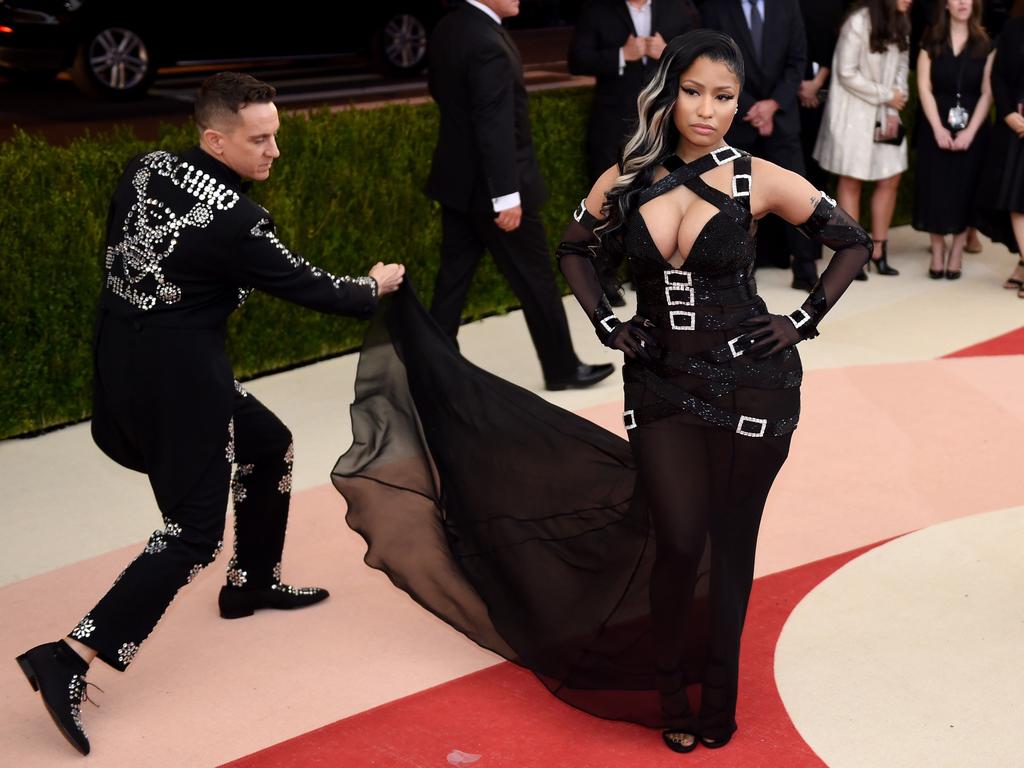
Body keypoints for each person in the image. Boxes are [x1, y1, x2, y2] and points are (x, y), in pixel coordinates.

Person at [333, 30, 871, 753]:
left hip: (753, 384)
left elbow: (853, 241)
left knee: (729, 544)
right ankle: (670, 693)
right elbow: (574, 248)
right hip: (659, 383)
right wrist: (608, 323)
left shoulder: (758, 178)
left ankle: (716, 702)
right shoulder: (629, 176)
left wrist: (799, 322)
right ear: (669, 90)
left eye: (724, 97)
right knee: (678, 541)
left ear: (740, 104)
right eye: (693, 91)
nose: (706, 110)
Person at [15, 72, 405, 756]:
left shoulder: (146, 167)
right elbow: (319, 290)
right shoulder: (239, 220)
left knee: (268, 442)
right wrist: (376, 284)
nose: (274, 151)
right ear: (214, 139)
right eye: (259, 139)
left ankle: (252, 581)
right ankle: (71, 656)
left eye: (275, 135)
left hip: (122, 358)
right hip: (183, 378)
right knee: (192, 533)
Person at [424, 0, 614, 390]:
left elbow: (443, 94)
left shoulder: (449, 27)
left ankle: (430, 368)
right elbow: (494, 122)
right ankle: (563, 368)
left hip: (459, 184)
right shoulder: (485, 40)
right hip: (498, 191)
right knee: (537, 278)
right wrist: (505, 195)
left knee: (452, 280)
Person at [568, 0, 701, 304]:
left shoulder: (678, 9)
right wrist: (621, 55)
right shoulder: (596, 10)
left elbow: (701, 60)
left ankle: (653, 278)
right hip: (612, 124)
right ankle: (604, 277)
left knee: (660, 200)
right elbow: (577, 59)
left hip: (663, 124)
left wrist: (667, 53)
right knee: (610, 202)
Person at [700, 0, 822, 291]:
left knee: (797, 191)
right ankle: (740, 272)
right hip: (737, 119)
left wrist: (773, 104)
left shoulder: (788, 6)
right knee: (736, 199)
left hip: (782, 116)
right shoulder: (716, 9)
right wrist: (751, 108)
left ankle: (804, 265)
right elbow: (714, 65)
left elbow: (797, 60)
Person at [814, 0, 913, 278]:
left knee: (890, 178)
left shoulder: (901, 22)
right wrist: (886, 94)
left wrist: (897, 97)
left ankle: (880, 249)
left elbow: (903, 66)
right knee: (851, 179)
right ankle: (855, 254)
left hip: (887, 111)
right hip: (854, 113)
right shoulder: (858, 22)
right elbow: (846, 72)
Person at [913, 0, 993, 278]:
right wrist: (937, 127)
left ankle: (957, 250)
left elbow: (987, 92)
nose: (962, 2)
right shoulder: (931, 40)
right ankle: (937, 250)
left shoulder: (985, 43)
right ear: (945, 5)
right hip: (935, 123)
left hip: (974, 127)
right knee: (934, 188)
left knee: (966, 189)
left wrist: (970, 131)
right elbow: (923, 86)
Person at [974, 11, 1024, 296]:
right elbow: (999, 76)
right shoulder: (1014, 27)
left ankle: (1022, 265)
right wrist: (1006, 114)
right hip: (1015, 130)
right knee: (1018, 201)